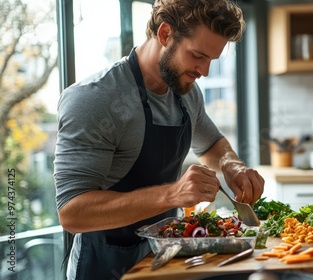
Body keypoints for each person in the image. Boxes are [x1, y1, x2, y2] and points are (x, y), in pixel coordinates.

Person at [53, 0, 264, 279]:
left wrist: (231, 165)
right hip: (104, 263)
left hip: (165, 257)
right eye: (198, 56)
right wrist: (172, 194)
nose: (205, 71)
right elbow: (72, 213)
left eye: (212, 60)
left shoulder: (186, 91)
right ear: (165, 34)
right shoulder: (94, 98)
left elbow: (212, 144)